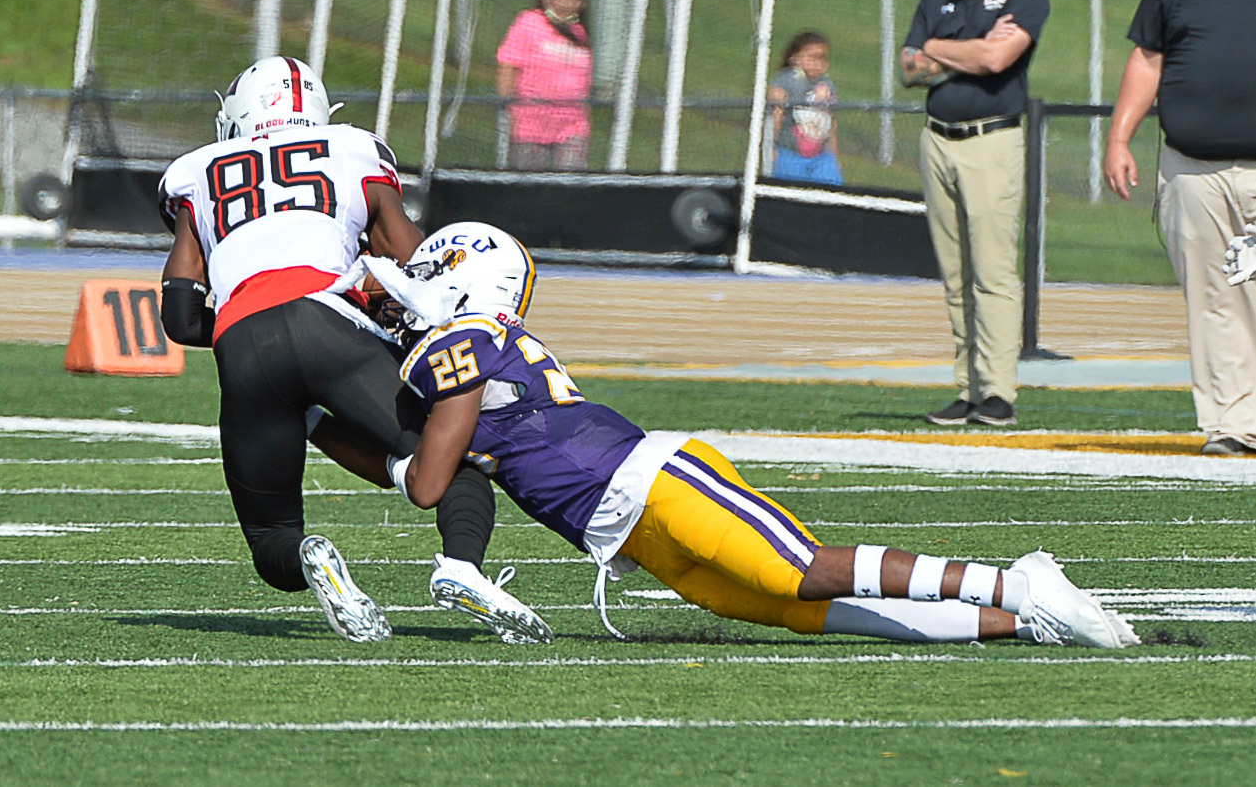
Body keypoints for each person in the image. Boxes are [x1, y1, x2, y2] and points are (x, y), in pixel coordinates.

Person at [341, 221, 1137, 649]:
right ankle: (1018, 623)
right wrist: (319, 421)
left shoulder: (461, 339)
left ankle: (1019, 584)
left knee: (807, 571)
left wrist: (322, 408)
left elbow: (426, 482)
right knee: (795, 612)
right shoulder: (450, 350)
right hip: (627, 532)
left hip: (651, 481)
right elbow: (416, 464)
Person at [156, 56, 548, 644]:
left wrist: (254, 328)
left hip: (241, 343)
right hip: (331, 322)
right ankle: (464, 569)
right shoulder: (354, 150)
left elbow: (182, 319)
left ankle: (313, 554)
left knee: (272, 541)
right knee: (453, 463)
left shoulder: (194, 174)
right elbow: (417, 270)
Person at [1105, 0, 1256, 457]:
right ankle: (1231, 426)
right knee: (1215, 299)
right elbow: (1148, 59)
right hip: (1192, 169)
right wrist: (1120, 138)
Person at [900, 0, 1049, 428]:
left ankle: (998, 392)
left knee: (993, 272)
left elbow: (998, 58)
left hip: (992, 140)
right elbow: (909, 67)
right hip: (937, 138)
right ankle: (966, 388)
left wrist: (941, 49)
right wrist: (966, 51)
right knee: (955, 275)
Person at [496, 0, 592, 171]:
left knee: (569, 184)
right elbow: (508, 62)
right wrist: (505, 104)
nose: (566, 2)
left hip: (571, 125)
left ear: (581, 3)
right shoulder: (529, 22)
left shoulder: (580, 33)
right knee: (529, 185)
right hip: (530, 124)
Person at [767, 31, 841, 185]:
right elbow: (776, 115)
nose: (817, 63)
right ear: (795, 59)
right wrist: (771, 146)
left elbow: (831, 121)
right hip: (789, 152)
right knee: (790, 190)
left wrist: (833, 153)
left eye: (822, 58)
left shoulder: (827, 84)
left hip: (821, 155)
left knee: (831, 188)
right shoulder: (785, 80)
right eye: (811, 57)